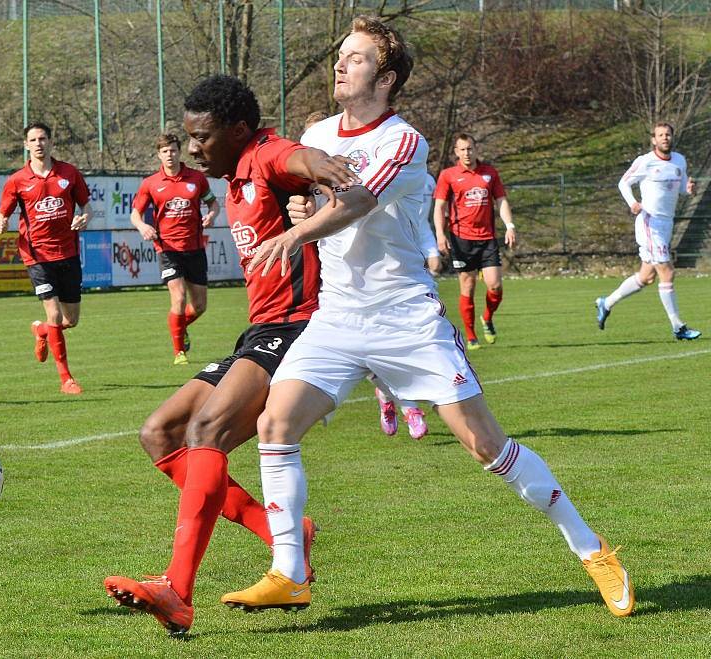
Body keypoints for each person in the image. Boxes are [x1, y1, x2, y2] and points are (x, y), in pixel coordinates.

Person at [221, 15, 634, 620]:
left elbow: (359, 200)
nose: (340, 65)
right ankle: (289, 573)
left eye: (355, 59)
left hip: (405, 318)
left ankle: (591, 547)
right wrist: (300, 204)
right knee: (275, 426)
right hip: (336, 318)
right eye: (341, 55)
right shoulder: (316, 133)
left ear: (385, 78)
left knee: (485, 445)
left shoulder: (402, 141)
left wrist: (297, 232)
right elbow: (318, 197)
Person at [103, 75, 360, 636]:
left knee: (208, 428)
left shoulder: (265, 156)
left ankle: (177, 589)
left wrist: (324, 168)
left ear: (238, 132)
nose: (195, 148)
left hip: (298, 327)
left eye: (203, 137)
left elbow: (297, 155)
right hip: (261, 329)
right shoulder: (232, 176)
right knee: (160, 432)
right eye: (191, 138)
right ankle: (288, 534)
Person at [305, 110, 434, 441]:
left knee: (403, 352)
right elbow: (304, 211)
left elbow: (412, 218)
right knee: (279, 420)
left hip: (391, 277)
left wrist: (430, 248)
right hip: (340, 281)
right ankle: (400, 402)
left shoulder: (391, 157)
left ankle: (407, 402)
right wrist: (299, 216)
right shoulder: (310, 177)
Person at [0, 122, 92, 395]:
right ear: (26, 145)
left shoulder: (69, 173)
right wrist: (0, 222)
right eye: (33, 139)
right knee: (53, 312)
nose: (38, 143)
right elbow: (3, 212)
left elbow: (87, 205)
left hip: (68, 252)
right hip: (36, 255)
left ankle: (42, 332)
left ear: (50, 142)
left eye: (42, 138)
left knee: (70, 320)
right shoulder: (17, 180)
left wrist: (84, 218)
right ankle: (66, 379)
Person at [596, 122, 700, 340]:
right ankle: (678, 327)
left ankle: (607, 303)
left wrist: (689, 190)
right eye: (660, 135)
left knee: (646, 277)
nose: (665, 138)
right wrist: (632, 203)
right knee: (668, 271)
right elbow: (623, 183)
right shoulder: (645, 162)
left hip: (667, 223)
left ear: (672, 137)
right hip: (650, 223)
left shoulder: (679, 160)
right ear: (654, 139)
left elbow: (680, 188)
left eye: (668, 135)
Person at [131, 133, 220, 365]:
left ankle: (180, 327)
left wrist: (211, 214)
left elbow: (213, 202)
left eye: (172, 150)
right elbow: (135, 214)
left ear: (178, 151)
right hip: (167, 248)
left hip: (194, 247)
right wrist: (142, 226)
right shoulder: (151, 183)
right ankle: (179, 352)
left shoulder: (196, 178)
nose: (169, 155)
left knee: (200, 306)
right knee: (178, 298)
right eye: (164, 151)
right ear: (158, 155)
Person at [433, 133, 516, 350]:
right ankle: (471, 336)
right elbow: (439, 207)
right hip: (462, 239)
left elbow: (501, 201)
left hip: (487, 238)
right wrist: (440, 235)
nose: (466, 153)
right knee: (467, 286)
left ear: (475, 149)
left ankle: (487, 318)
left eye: (469, 149)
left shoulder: (489, 173)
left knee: (495, 285)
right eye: (462, 149)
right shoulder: (448, 175)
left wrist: (509, 226)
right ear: (456, 152)